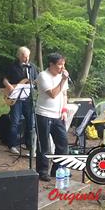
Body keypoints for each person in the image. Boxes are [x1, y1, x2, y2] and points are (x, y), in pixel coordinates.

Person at [35, 53, 69, 182]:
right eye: (60, 65)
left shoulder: (61, 77)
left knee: (63, 143)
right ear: (51, 64)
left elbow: (64, 94)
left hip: (58, 115)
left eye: (63, 65)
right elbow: (53, 94)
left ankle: (58, 169)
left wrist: (64, 110)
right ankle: (42, 171)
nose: (62, 68)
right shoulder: (43, 76)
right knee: (44, 145)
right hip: (44, 114)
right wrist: (63, 80)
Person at [3, 46, 38, 154]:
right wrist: (9, 86)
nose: (26, 59)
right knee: (15, 121)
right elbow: (4, 79)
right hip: (15, 97)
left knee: (30, 121)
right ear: (19, 56)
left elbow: (36, 80)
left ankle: (29, 144)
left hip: (28, 98)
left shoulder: (32, 67)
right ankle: (12, 145)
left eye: (28, 57)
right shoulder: (12, 66)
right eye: (24, 57)